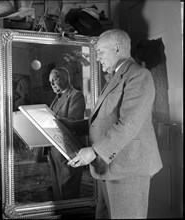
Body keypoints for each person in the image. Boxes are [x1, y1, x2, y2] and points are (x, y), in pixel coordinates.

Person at [58, 29, 163, 219]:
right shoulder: (116, 76)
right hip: (109, 167)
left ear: (117, 48)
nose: (97, 58)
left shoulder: (139, 75)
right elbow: (103, 120)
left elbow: (128, 124)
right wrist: (72, 126)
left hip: (128, 169)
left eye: (100, 51)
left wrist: (94, 151)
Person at [47, 66, 86, 201]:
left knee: (68, 191)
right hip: (53, 150)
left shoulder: (76, 95)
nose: (51, 84)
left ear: (64, 79)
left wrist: (50, 119)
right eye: (50, 81)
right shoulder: (56, 99)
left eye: (54, 80)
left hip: (67, 151)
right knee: (58, 190)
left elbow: (73, 122)